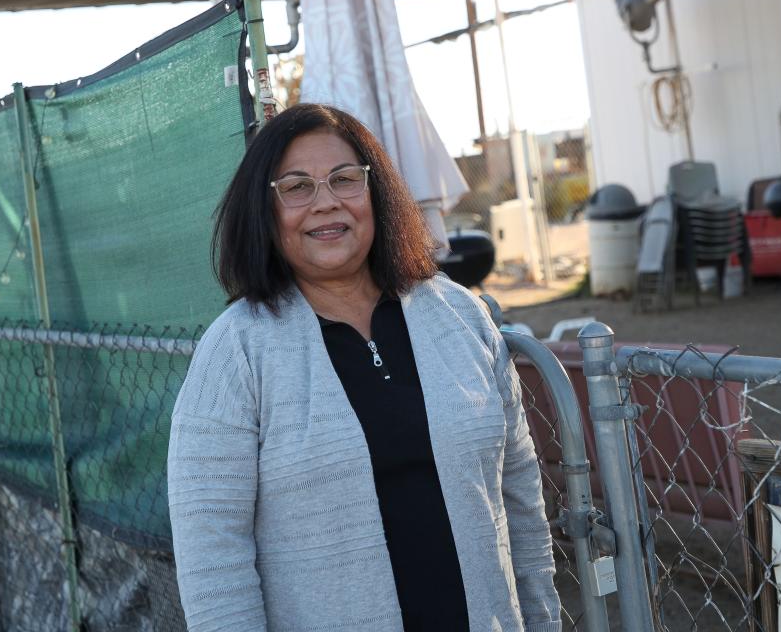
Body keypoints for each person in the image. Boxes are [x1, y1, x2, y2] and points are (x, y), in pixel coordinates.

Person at [167, 103, 561, 632]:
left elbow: (520, 495)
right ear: (264, 210)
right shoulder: (236, 351)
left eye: (344, 179)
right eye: (297, 187)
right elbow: (212, 556)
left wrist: (541, 619)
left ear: (375, 192)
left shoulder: (459, 315)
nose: (326, 203)